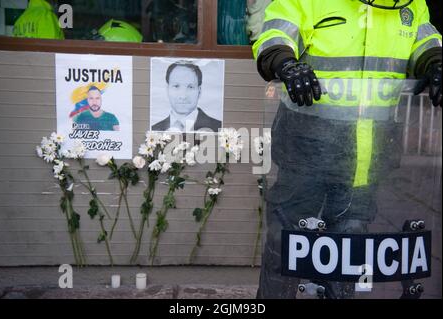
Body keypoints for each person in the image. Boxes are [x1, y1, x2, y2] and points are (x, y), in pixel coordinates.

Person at [253, 0, 442, 299]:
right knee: (286, 245)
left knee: (349, 255)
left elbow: (426, 41)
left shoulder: (411, 4)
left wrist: (435, 62)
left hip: (367, 158)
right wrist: (285, 63)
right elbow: (274, 36)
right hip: (306, 151)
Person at [152, 60, 222, 132]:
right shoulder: (153, 130)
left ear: (199, 91)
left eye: (190, 87)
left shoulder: (219, 128)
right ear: (167, 89)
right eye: (176, 86)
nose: (183, 96)